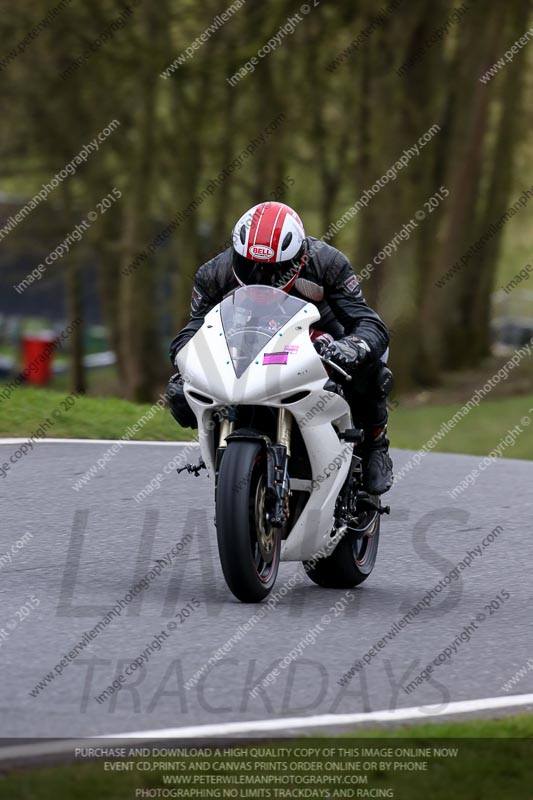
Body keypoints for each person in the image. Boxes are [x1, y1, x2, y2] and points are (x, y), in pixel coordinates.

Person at [168, 201, 393, 495]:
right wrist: (188, 363)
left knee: (369, 369)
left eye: (274, 270)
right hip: (248, 340)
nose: (262, 277)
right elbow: (192, 333)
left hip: (321, 335)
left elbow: (369, 322)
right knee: (179, 391)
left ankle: (376, 443)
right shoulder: (213, 275)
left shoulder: (327, 263)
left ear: (299, 259)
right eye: (251, 266)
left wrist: (351, 347)